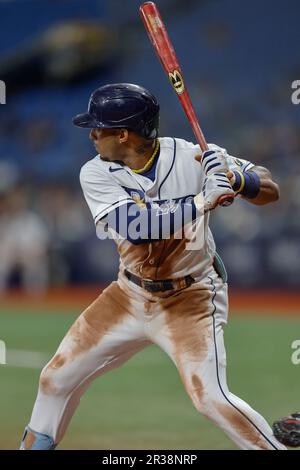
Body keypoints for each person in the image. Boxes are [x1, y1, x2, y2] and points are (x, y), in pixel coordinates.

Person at [20, 83, 285, 450]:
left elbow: (271, 188)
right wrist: (203, 200)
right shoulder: (95, 173)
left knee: (211, 398)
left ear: (124, 134)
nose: (93, 135)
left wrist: (239, 180)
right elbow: (137, 228)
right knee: (55, 379)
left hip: (190, 298)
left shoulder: (193, 156)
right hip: (128, 294)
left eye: (99, 128)